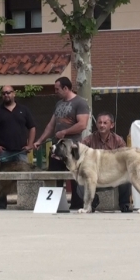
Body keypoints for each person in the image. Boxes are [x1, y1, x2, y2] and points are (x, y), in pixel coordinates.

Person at [33, 77, 95, 210]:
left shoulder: (80, 103)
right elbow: (51, 125)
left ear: (66, 88)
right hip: (57, 147)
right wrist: (39, 141)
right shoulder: (58, 104)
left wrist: (64, 132)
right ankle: (55, 205)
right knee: (54, 175)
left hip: (73, 147)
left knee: (75, 177)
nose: (55, 92)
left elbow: (82, 124)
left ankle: (77, 205)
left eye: (57, 89)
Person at [81, 111, 133, 213]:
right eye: (99, 123)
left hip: (113, 174)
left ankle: (125, 204)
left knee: (126, 177)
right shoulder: (88, 140)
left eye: (105, 123)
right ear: (96, 125)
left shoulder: (118, 141)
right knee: (80, 181)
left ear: (112, 125)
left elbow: (126, 158)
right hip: (95, 175)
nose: (102, 125)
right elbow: (80, 156)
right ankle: (92, 202)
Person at [0, 85, 36, 163]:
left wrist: (30, 145)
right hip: (3, 153)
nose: (6, 95)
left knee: (23, 175)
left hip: (21, 152)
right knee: (3, 175)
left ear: (14, 94)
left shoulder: (24, 110)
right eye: (3, 93)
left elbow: (32, 127)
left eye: (8, 92)